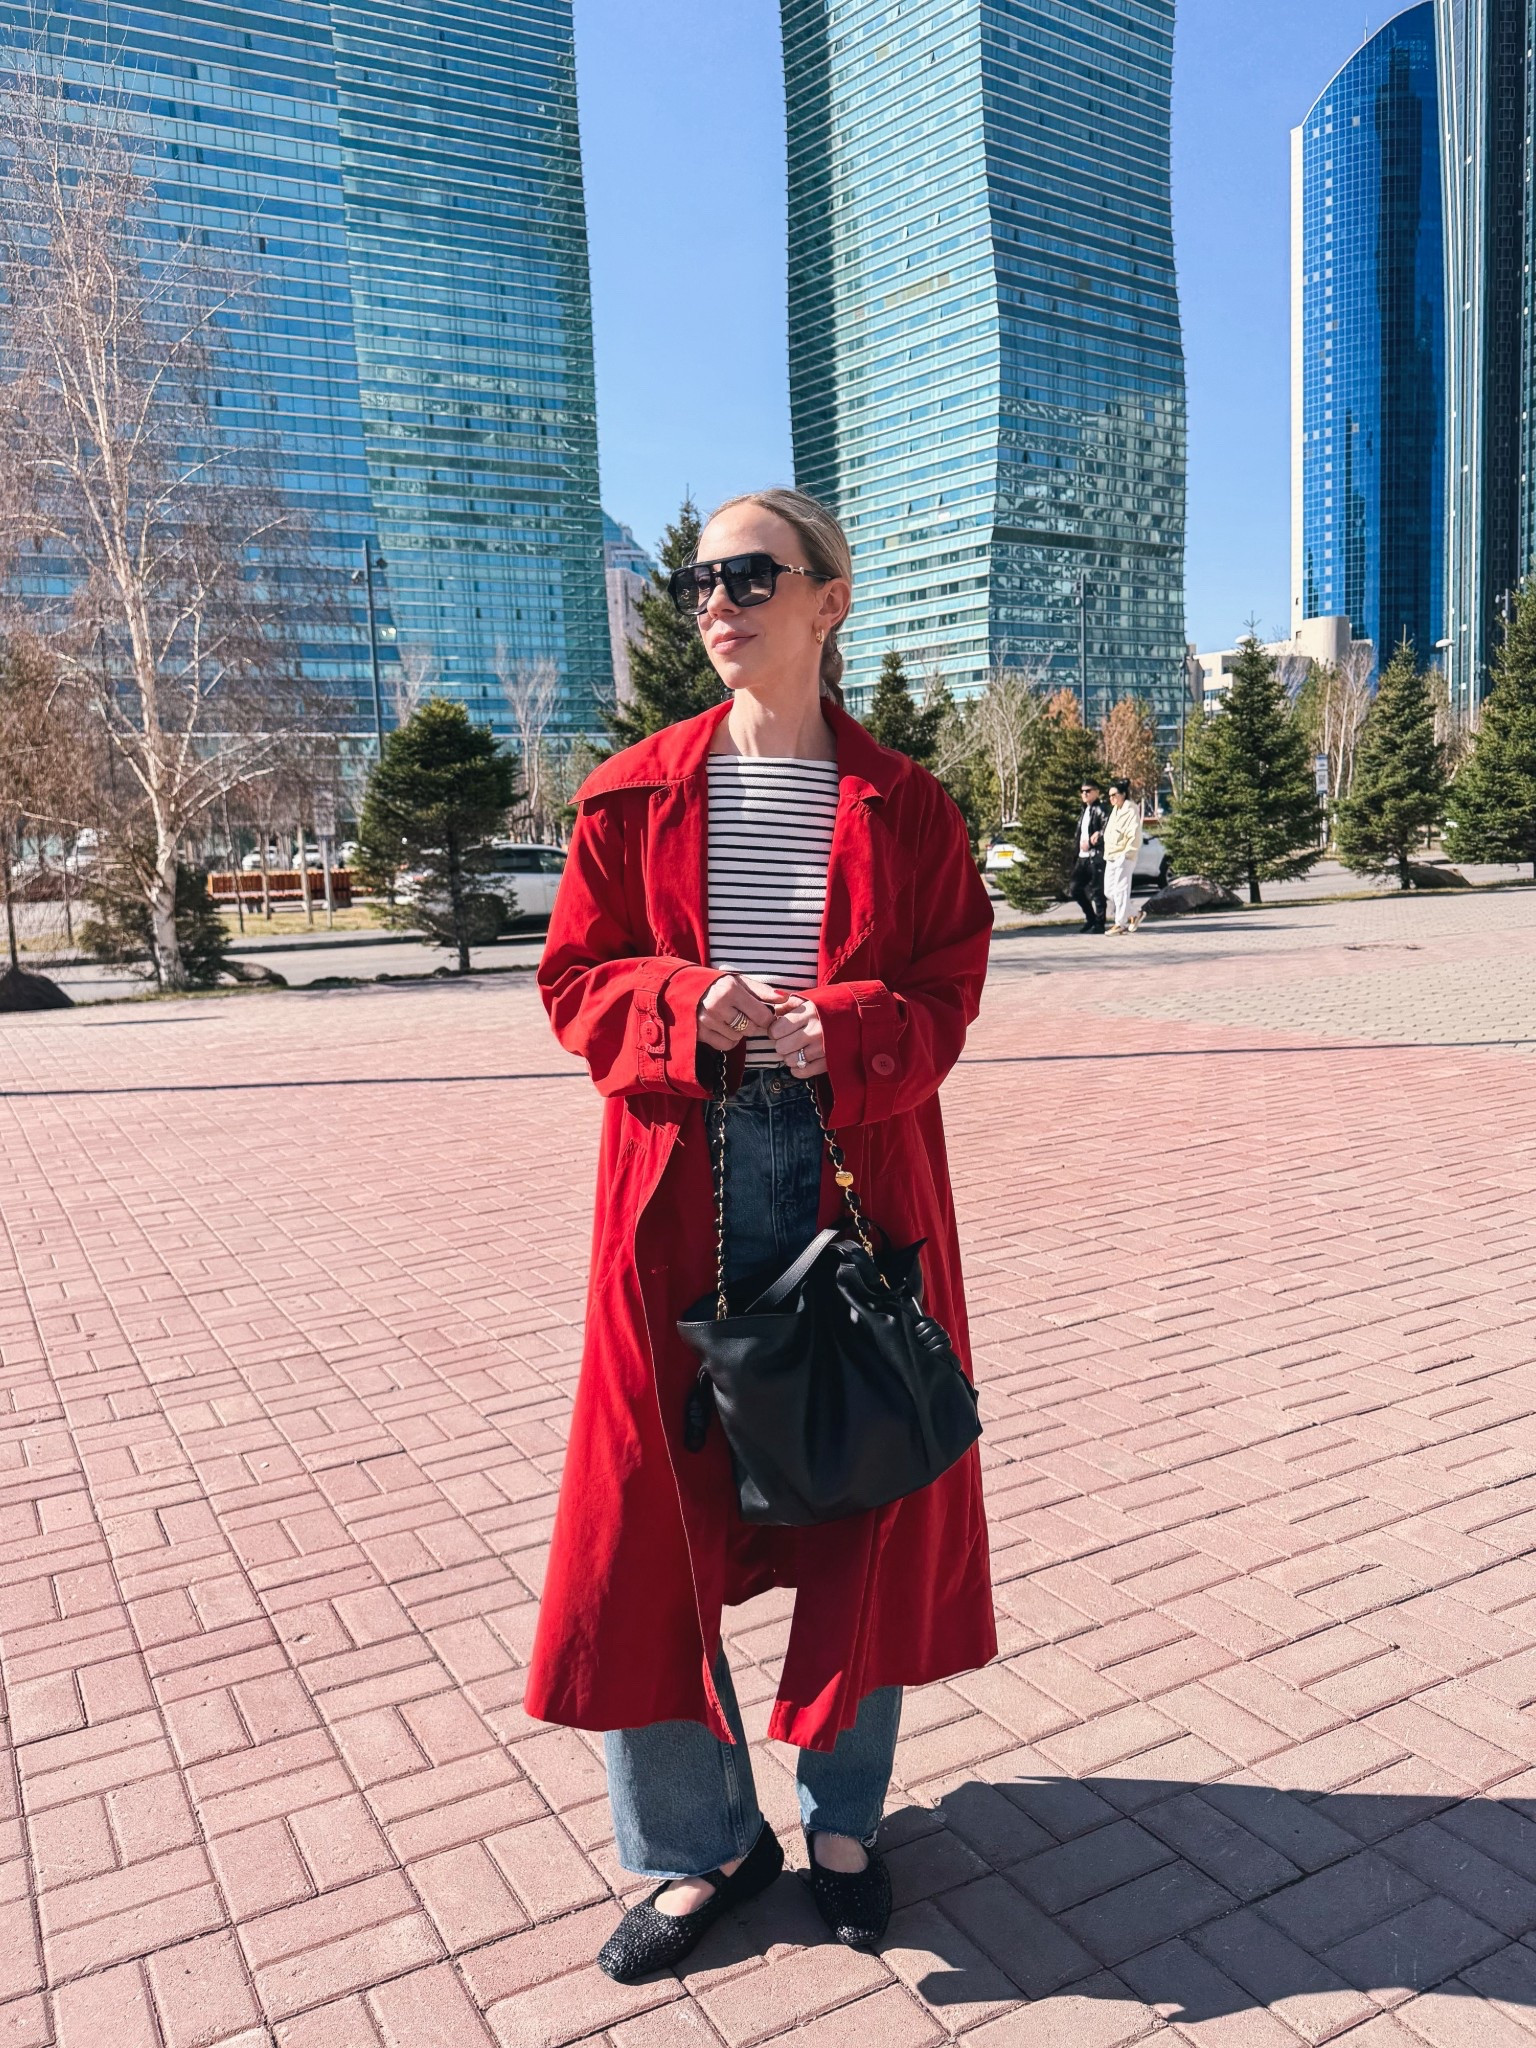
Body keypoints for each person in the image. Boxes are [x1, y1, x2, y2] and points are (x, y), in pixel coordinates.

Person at [533, 487, 996, 1983]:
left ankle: (845, 1821)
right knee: (643, 1527)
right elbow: (574, 984)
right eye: (695, 580)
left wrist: (842, 1028)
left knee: (862, 1493)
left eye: (749, 574)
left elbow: (947, 990)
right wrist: (679, 1005)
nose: (716, 600)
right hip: (677, 1186)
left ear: (828, 602)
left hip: (855, 1181)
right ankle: (702, 1843)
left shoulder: (910, 808)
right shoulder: (629, 794)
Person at [1103, 778, 1144, 934]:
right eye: (1110, 795)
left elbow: (1134, 833)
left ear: (1123, 794)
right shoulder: (1115, 810)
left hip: (1124, 856)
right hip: (1111, 855)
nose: (1111, 798)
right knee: (1109, 891)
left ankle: (1120, 923)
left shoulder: (1130, 809)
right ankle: (1135, 913)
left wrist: (1127, 853)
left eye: (1114, 794)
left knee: (1121, 890)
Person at [1070, 780, 1108, 932]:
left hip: (1096, 857)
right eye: (1082, 791)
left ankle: (1100, 923)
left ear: (1096, 792)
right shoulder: (1084, 810)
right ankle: (1091, 918)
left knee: (1097, 892)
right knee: (1075, 889)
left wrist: (1094, 841)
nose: (1084, 794)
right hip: (1082, 857)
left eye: (1088, 791)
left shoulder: (1101, 809)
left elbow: (1108, 830)